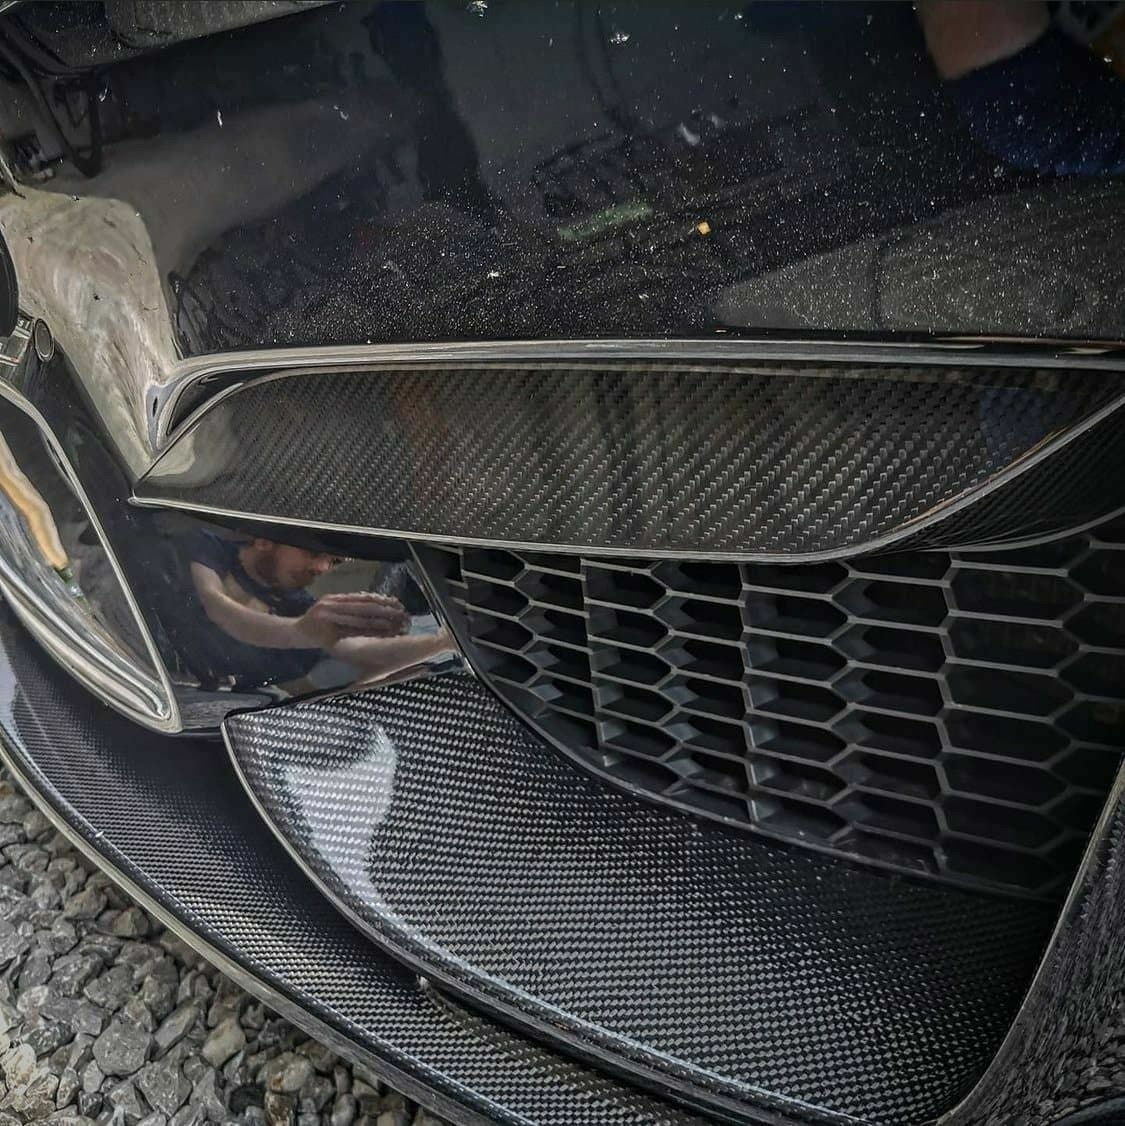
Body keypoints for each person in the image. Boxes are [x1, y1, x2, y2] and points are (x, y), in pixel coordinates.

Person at [184, 530, 453, 691]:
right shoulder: (209, 547)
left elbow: (359, 650)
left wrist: (441, 642)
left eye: (333, 561)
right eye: (312, 553)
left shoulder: (300, 604)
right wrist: (298, 632)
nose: (323, 568)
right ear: (265, 540)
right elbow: (216, 605)